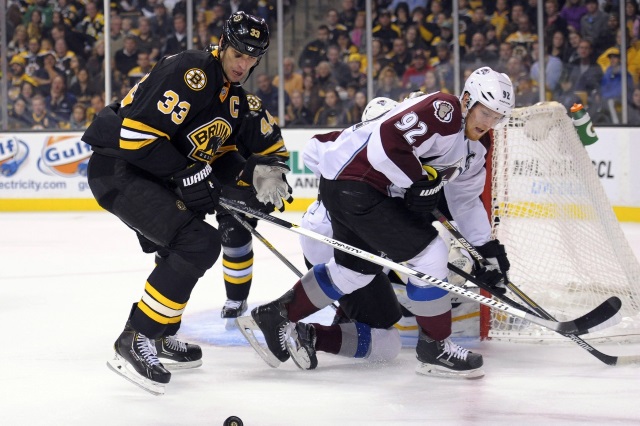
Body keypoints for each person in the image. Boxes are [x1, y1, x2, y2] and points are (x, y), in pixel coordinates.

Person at [245, 67, 514, 379]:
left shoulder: (477, 147)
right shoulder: (445, 111)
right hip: (358, 185)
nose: (488, 122)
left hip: (352, 188)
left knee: (355, 271)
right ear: (467, 99)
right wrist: (417, 182)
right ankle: (435, 347)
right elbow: (387, 142)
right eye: (485, 112)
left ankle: (276, 314)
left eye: (497, 117)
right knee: (431, 254)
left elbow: (465, 200)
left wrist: (485, 248)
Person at [81, 11, 292, 395]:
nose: (243, 64)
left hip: (149, 174)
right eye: (238, 54)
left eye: (252, 58)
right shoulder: (192, 70)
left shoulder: (233, 99)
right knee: (199, 242)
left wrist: (250, 175)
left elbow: (220, 154)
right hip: (119, 168)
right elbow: (136, 136)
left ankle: (159, 335)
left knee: (184, 242)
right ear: (224, 44)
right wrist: (188, 173)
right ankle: (135, 339)